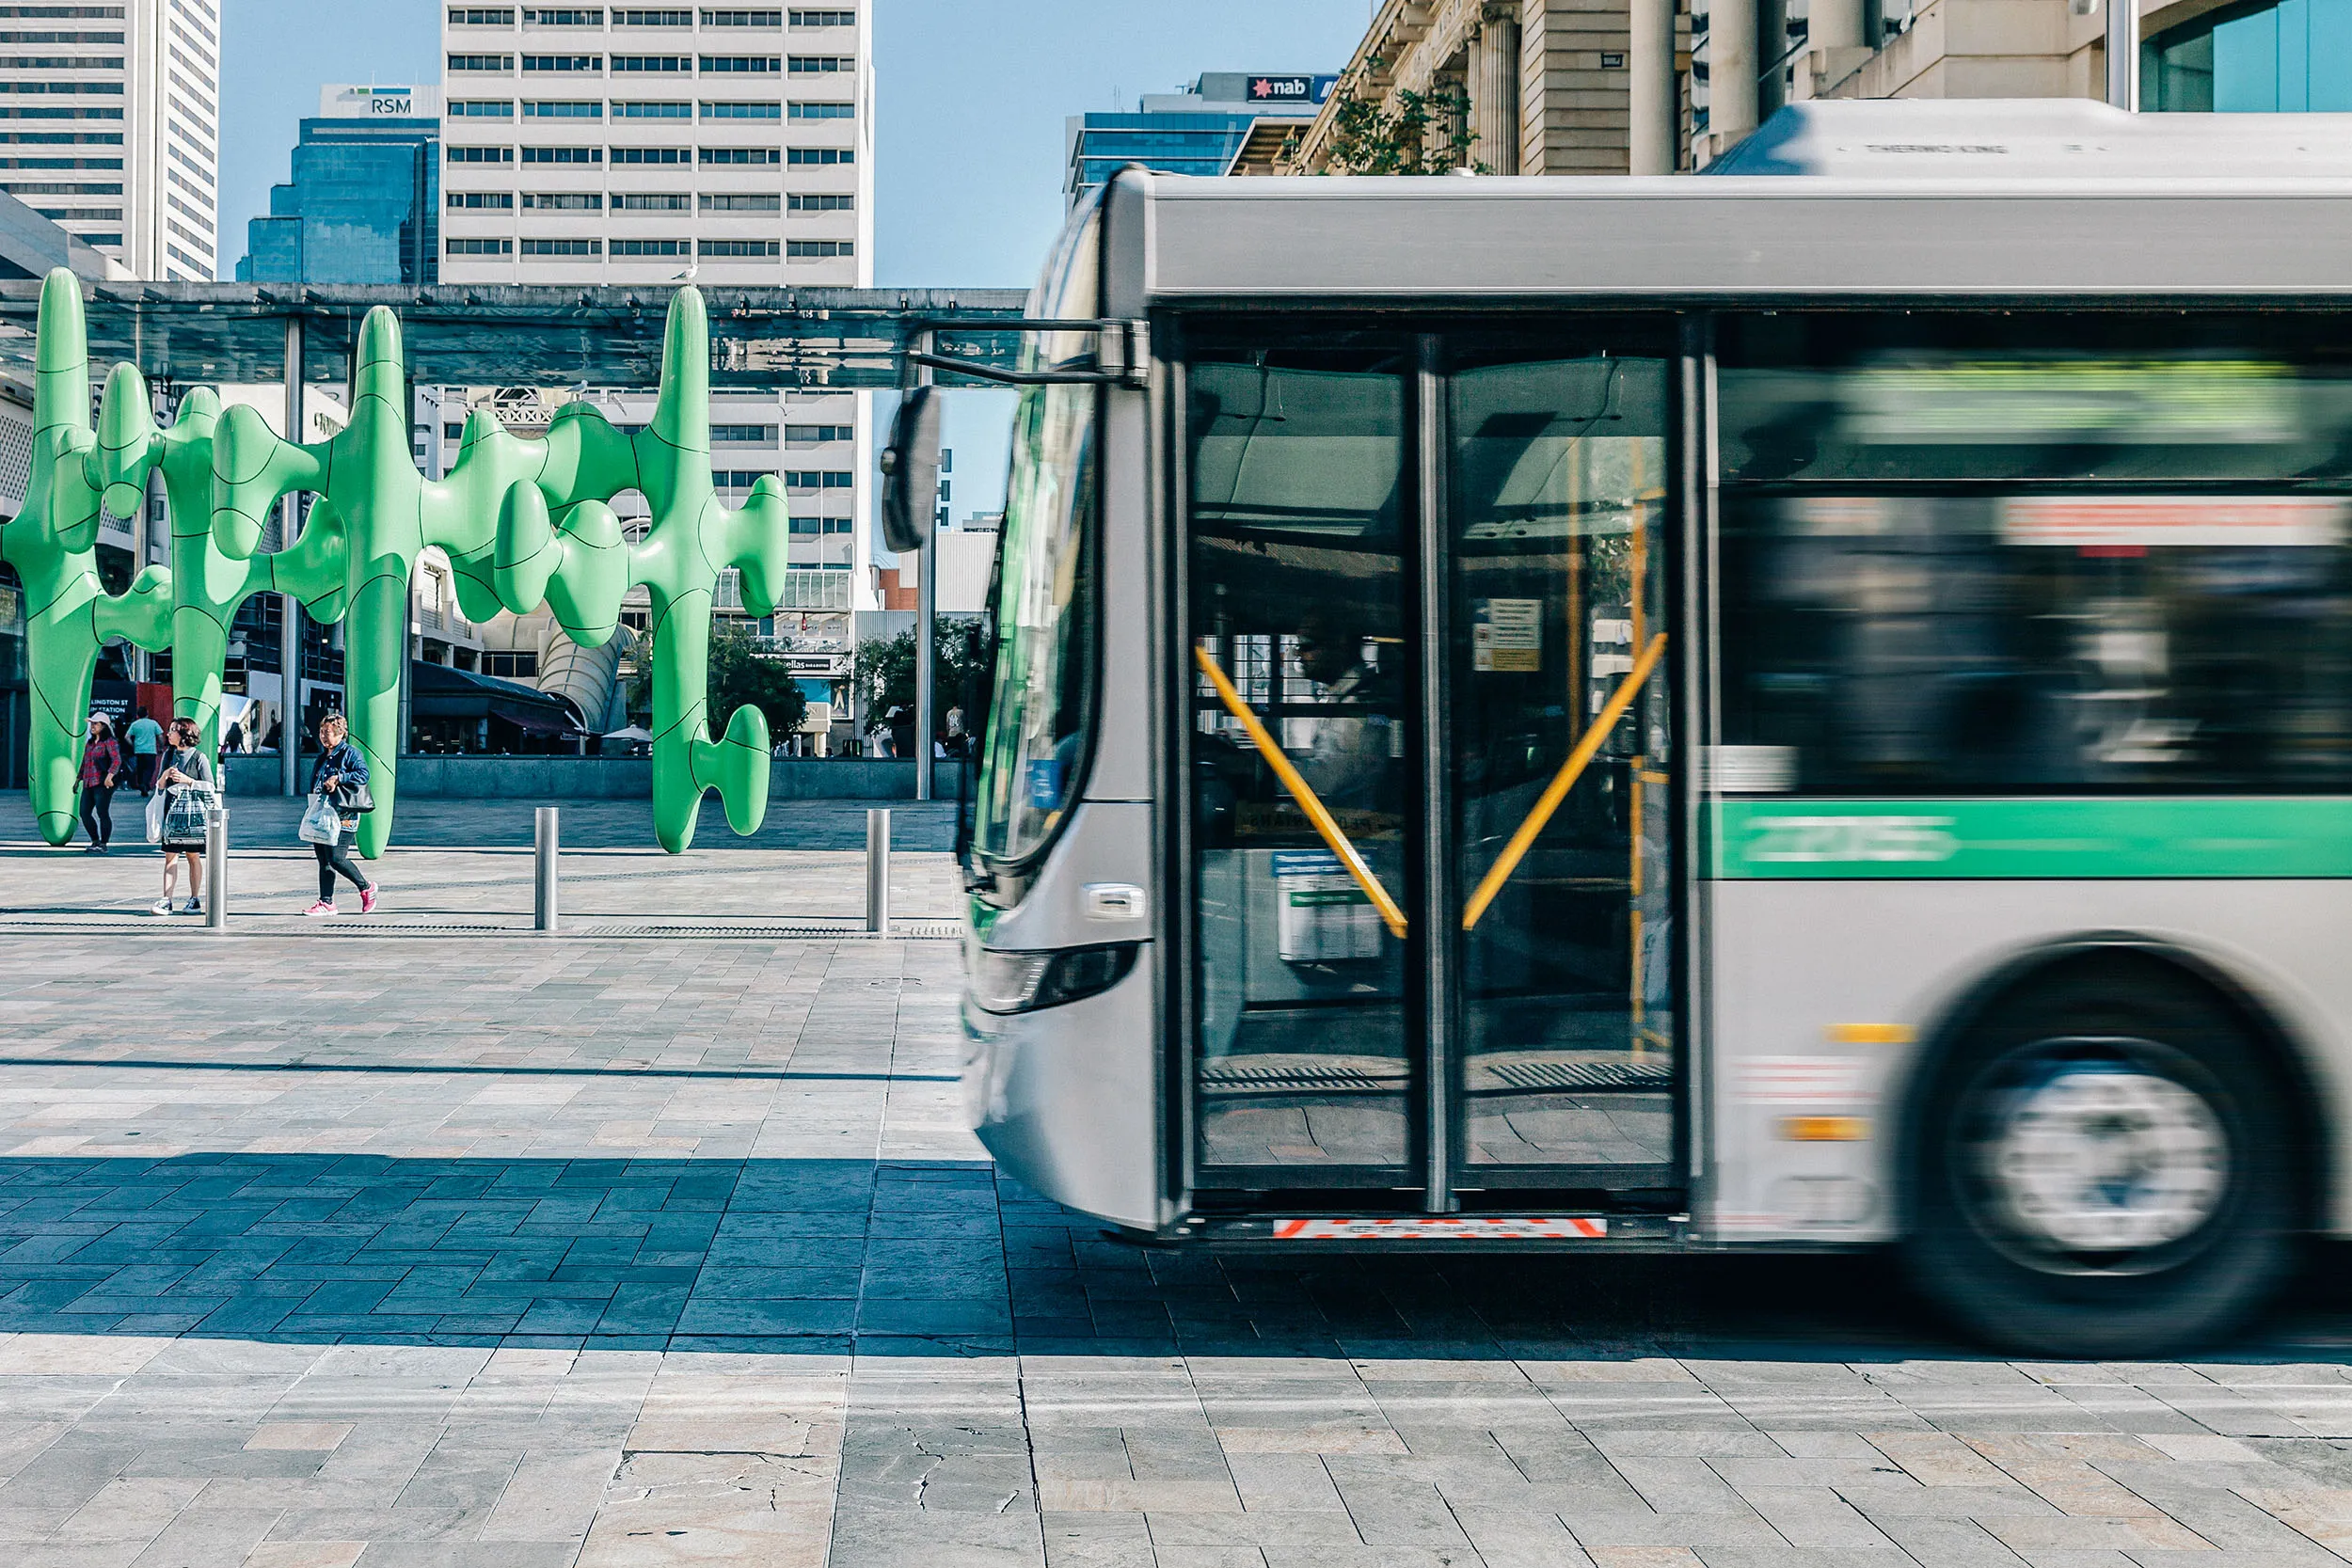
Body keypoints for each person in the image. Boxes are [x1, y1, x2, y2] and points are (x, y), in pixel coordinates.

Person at [304, 713, 377, 916]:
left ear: (340, 733)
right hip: (323, 813)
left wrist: (339, 777)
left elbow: (363, 774)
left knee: (337, 858)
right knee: (324, 860)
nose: (323, 737)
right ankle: (326, 902)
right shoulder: (322, 757)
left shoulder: (350, 753)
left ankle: (366, 887)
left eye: (327, 733)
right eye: (321, 732)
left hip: (344, 814)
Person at [151, 717, 212, 915]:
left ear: (184, 734)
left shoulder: (199, 758)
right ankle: (166, 899)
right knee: (171, 857)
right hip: (172, 814)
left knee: (193, 856)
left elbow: (211, 788)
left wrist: (188, 781)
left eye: (172, 730)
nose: (168, 734)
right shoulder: (168, 756)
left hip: (193, 816)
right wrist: (164, 776)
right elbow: (159, 786)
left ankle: (194, 899)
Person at [76, 712, 120, 853]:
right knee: (84, 812)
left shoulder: (109, 742)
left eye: (96, 723)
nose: (92, 726)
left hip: (102, 783)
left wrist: (110, 776)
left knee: (102, 812)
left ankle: (103, 843)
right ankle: (95, 840)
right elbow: (85, 762)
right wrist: (78, 779)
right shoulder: (89, 743)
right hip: (89, 782)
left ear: (104, 726)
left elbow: (116, 760)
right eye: (92, 723)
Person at [123, 708, 161, 796]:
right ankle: (145, 783)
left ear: (138, 715)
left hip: (139, 750)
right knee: (150, 768)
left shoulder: (135, 724)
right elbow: (160, 736)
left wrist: (133, 745)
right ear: (147, 714)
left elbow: (127, 737)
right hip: (151, 750)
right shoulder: (153, 723)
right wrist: (161, 746)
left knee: (140, 768)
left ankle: (141, 784)